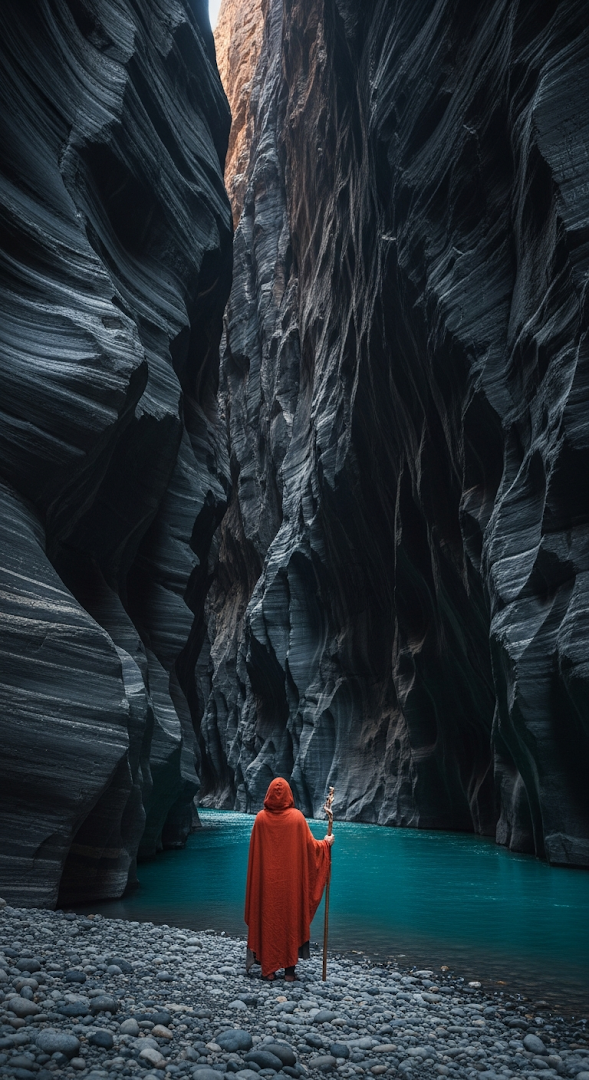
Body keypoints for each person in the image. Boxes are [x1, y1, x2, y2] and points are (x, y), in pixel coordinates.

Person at [245, 777, 335, 981]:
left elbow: (255, 860)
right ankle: (289, 971)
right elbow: (311, 849)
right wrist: (326, 844)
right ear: (289, 795)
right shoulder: (297, 818)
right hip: (290, 887)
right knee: (289, 919)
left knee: (268, 917)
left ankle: (268, 970)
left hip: (266, 887)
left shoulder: (260, 819)